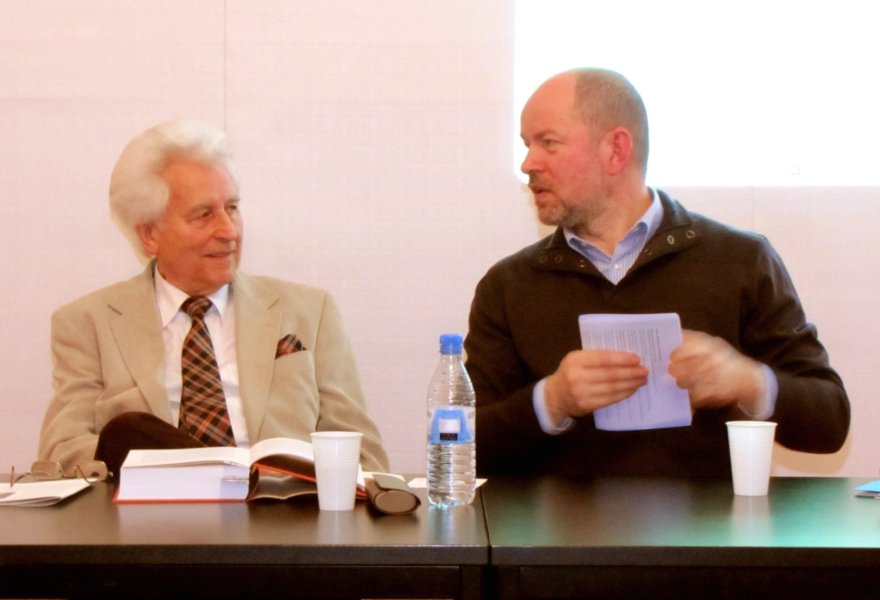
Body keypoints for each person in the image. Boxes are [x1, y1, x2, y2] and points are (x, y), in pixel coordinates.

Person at [466, 68, 850, 477]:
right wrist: (551, 401)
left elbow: (830, 424)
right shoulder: (508, 286)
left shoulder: (739, 260)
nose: (528, 163)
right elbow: (462, 449)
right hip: (557, 521)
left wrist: (748, 381)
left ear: (616, 150)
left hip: (709, 520)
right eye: (527, 144)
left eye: (548, 143)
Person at [38, 119, 389, 475]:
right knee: (128, 432)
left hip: (282, 502)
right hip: (153, 505)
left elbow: (364, 455)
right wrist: (145, 467)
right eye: (203, 215)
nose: (228, 231)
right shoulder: (88, 323)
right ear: (149, 235)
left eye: (232, 208)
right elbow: (61, 451)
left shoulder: (311, 312)